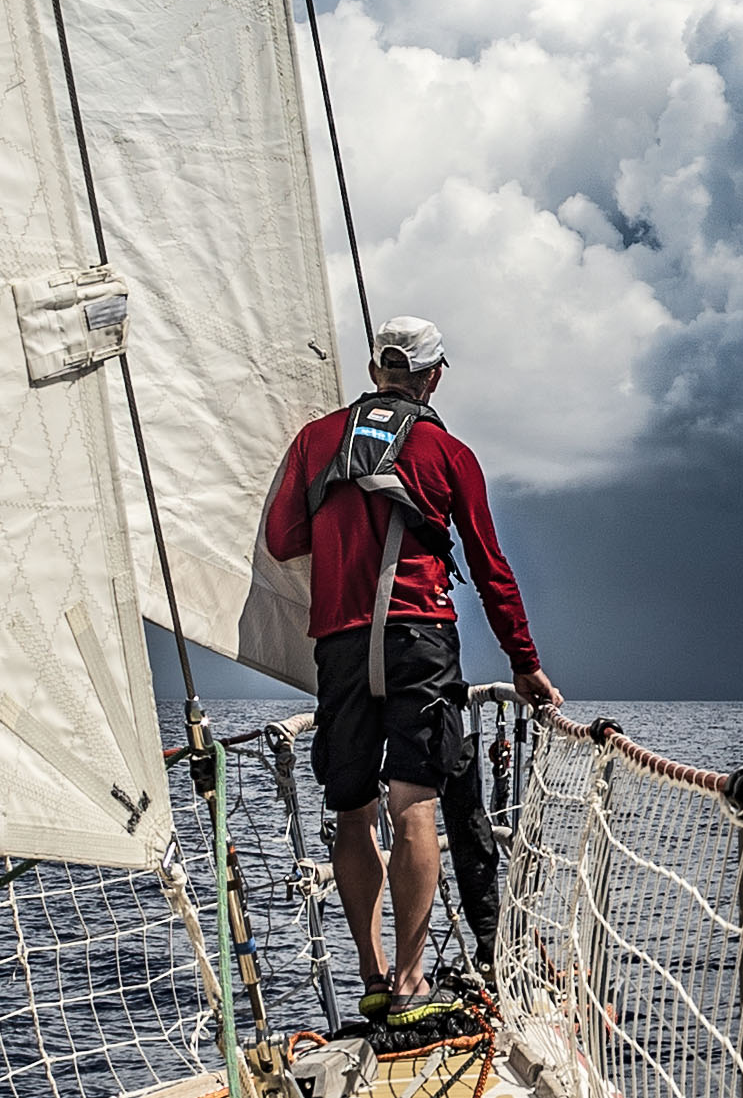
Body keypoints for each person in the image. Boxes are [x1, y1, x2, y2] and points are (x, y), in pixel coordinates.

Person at [263, 316, 562, 1025]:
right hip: (419, 639)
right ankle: (409, 979)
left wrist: (341, 533)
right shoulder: (446, 450)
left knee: (353, 808)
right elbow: (491, 570)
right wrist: (525, 665)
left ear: (376, 373)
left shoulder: (314, 442)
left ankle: (369, 976)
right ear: (432, 376)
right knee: (415, 803)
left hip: (338, 641)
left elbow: (283, 539)